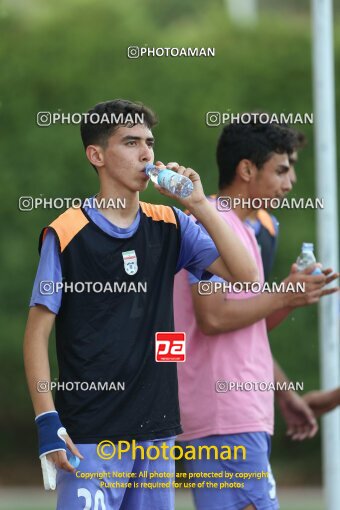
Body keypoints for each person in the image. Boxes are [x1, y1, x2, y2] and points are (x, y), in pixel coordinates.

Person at [23, 99, 259, 510]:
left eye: (149, 142)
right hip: (91, 434)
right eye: (131, 142)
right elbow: (36, 334)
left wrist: (200, 205)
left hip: (156, 433)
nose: (147, 153)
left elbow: (247, 276)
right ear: (96, 155)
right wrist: (47, 421)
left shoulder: (171, 223)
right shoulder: (66, 232)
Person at [174, 119, 338, 510]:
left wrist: (283, 392)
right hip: (226, 416)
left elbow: (249, 328)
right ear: (246, 169)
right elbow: (212, 319)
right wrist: (283, 295)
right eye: (282, 169)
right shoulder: (211, 224)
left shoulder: (241, 229)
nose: (292, 181)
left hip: (238, 414)